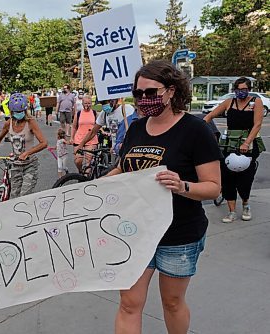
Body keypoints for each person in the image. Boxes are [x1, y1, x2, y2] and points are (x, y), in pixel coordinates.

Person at [106, 60, 221, 334]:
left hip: (179, 235)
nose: (144, 100)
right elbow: (124, 167)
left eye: (151, 92)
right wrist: (94, 186)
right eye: (138, 94)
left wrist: (183, 186)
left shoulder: (196, 130)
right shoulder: (136, 128)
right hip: (135, 232)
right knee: (129, 303)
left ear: (171, 91)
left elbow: (214, 186)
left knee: (171, 302)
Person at [204, 77, 265, 223]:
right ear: (234, 90)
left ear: (248, 89)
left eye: (244, 89)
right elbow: (211, 115)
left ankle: (245, 204)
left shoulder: (255, 102)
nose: (241, 92)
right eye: (238, 90)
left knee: (245, 175)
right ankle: (231, 211)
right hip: (229, 142)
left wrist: (247, 142)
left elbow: (257, 124)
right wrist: (199, 127)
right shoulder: (229, 102)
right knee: (227, 176)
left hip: (248, 142)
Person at [0, 93, 48, 198]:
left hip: (30, 165)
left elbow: (44, 143)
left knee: (24, 196)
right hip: (16, 164)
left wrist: (28, 152)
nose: (19, 114)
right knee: (14, 197)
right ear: (11, 111)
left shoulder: (31, 122)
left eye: (21, 111)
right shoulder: (8, 123)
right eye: (16, 112)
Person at [71, 96, 98, 173]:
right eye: (85, 103)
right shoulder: (78, 114)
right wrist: (72, 138)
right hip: (79, 139)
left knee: (88, 161)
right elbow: (73, 127)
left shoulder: (94, 113)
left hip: (91, 139)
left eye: (89, 103)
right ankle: (80, 171)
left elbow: (98, 125)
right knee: (78, 161)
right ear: (82, 103)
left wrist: (103, 131)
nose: (87, 105)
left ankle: (86, 179)